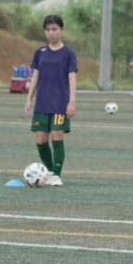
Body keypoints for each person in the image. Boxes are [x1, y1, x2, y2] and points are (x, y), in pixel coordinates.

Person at [24, 15, 78, 186]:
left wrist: (72, 101)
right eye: (48, 30)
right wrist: (29, 99)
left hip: (60, 103)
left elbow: (72, 78)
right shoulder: (40, 52)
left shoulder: (69, 53)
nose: (51, 33)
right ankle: (47, 172)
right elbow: (35, 76)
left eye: (54, 29)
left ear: (61, 30)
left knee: (57, 137)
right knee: (40, 141)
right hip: (42, 103)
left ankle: (56, 175)